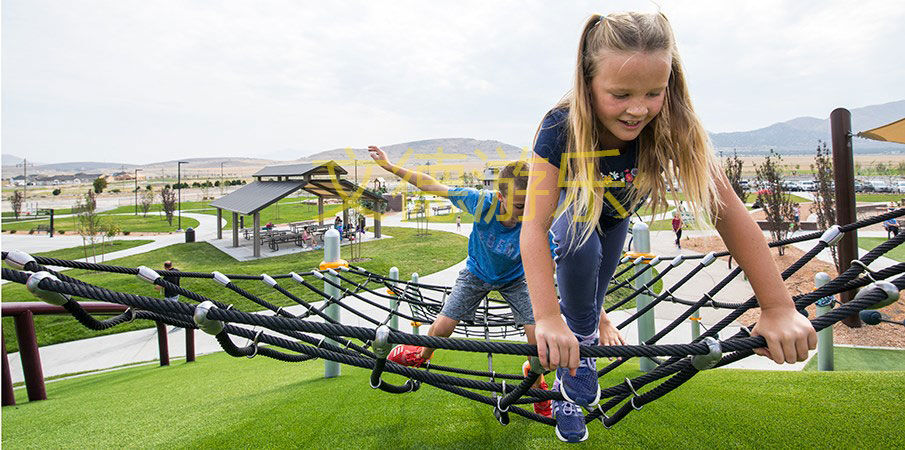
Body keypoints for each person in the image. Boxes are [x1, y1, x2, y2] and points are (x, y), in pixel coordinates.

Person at [519, 12, 817, 442]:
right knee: (580, 251)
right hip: (576, 209)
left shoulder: (673, 122)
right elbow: (534, 228)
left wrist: (778, 307)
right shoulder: (560, 127)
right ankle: (577, 358)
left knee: (593, 289)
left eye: (653, 93)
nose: (638, 109)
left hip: (618, 217)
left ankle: (577, 356)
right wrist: (547, 318)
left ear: (669, 84)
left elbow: (727, 209)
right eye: (620, 94)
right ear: (587, 85)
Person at [369, 145, 553, 418]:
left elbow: (551, 264)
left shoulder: (537, 220)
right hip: (477, 273)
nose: (525, 214)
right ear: (500, 197)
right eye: (518, 206)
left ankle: (537, 385)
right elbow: (432, 185)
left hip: (516, 279)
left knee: (537, 341)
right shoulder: (481, 202)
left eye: (530, 206)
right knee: (442, 328)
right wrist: (389, 167)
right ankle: (420, 354)